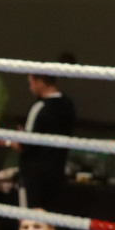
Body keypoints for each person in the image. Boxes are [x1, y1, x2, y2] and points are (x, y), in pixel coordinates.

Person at [16, 72, 75, 210]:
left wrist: (9, 140)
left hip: (33, 177)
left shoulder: (40, 106)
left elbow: (26, 144)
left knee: (30, 222)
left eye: (31, 83)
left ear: (40, 82)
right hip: (57, 173)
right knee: (49, 222)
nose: (30, 88)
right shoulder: (68, 105)